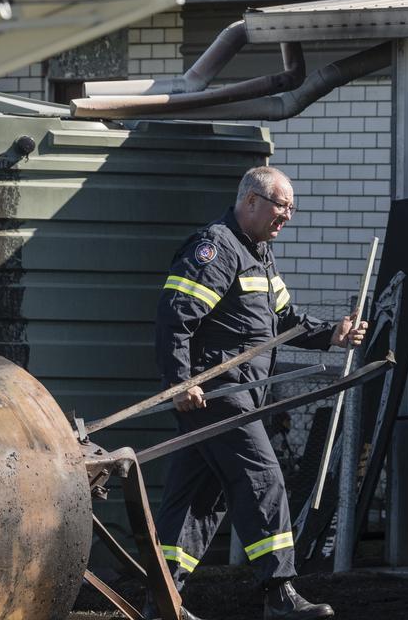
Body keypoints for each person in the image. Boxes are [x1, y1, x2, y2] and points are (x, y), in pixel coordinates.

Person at [148, 166, 367, 620]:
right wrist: (181, 383)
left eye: (291, 208)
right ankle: (279, 594)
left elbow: (283, 323)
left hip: (241, 394)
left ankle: (162, 602)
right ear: (250, 200)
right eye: (281, 205)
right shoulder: (216, 249)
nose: (287, 215)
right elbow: (176, 317)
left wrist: (333, 334)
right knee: (263, 478)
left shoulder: (259, 255)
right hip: (216, 393)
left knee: (197, 501)